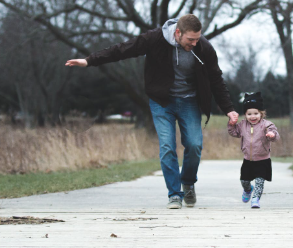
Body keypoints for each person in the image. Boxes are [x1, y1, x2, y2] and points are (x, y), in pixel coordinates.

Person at [66, 14, 239, 209]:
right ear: (177, 33)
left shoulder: (203, 47)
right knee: (167, 147)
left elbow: (216, 79)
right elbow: (123, 49)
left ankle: (188, 182)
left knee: (194, 145)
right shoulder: (155, 39)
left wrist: (229, 110)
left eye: (197, 38)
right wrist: (89, 61)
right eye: (191, 39)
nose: (194, 43)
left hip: (189, 101)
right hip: (161, 101)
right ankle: (174, 194)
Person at [227, 92, 279, 209]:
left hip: (263, 160)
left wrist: (272, 134)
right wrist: (231, 125)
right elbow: (234, 133)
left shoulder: (266, 125)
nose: (253, 116)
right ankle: (248, 189)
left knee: (260, 182)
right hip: (248, 160)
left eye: (256, 113)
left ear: (261, 114)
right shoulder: (242, 125)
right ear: (245, 115)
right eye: (249, 114)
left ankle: (255, 199)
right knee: (244, 181)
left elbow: (276, 134)